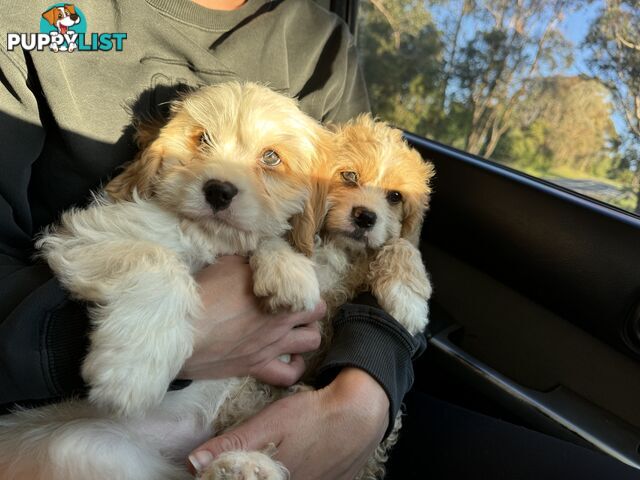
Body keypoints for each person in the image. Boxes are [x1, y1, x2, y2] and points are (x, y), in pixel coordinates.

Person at [0, 1, 424, 478]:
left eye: (270, 160)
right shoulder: (30, 15)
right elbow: (82, 239)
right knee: (87, 455)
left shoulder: (322, 42)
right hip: (65, 404)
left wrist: (367, 389)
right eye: (202, 142)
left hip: (248, 416)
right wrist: (173, 330)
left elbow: (357, 238)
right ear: (158, 157)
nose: (225, 177)